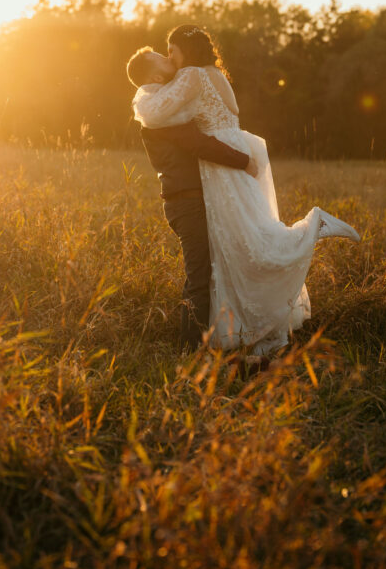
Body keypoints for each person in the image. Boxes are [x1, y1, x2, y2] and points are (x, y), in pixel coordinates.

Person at [130, 25, 360, 356]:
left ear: (186, 49)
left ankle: (312, 228)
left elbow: (164, 118)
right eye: (163, 54)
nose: (169, 56)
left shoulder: (191, 75)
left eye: (171, 49)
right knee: (243, 246)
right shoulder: (211, 72)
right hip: (228, 161)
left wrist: (141, 101)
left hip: (224, 167)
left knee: (246, 248)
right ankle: (245, 332)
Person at [126, 46, 259, 350]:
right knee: (198, 277)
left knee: (207, 272)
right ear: (157, 75)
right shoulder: (162, 113)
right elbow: (199, 144)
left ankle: (212, 339)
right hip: (187, 203)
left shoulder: (162, 107)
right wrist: (244, 161)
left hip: (187, 200)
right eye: (163, 57)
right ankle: (189, 350)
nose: (170, 57)